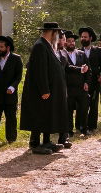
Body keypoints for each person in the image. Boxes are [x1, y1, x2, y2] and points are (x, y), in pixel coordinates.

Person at [20, 22, 68, 153]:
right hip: (41, 91)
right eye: (57, 33)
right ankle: (35, 144)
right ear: (52, 32)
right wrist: (44, 89)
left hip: (50, 89)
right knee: (38, 115)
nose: (58, 36)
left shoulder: (48, 45)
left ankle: (47, 142)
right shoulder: (40, 46)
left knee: (48, 115)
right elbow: (40, 70)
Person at [60, 30, 90, 140]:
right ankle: (69, 130)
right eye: (69, 41)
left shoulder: (81, 54)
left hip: (81, 87)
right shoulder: (62, 54)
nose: (71, 43)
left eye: (73, 41)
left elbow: (88, 69)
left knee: (83, 108)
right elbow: (66, 69)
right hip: (68, 87)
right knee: (68, 110)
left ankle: (84, 128)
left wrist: (87, 82)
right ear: (65, 43)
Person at [78, 27, 101, 131]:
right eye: (82, 37)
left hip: (94, 81)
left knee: (93, 104)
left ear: (90, 38)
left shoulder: (97, 51)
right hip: (82, 82)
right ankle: (81, 125)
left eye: (85, 37)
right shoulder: (78, 51)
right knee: (82, 105)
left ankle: (92, 126)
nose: (83, 38)